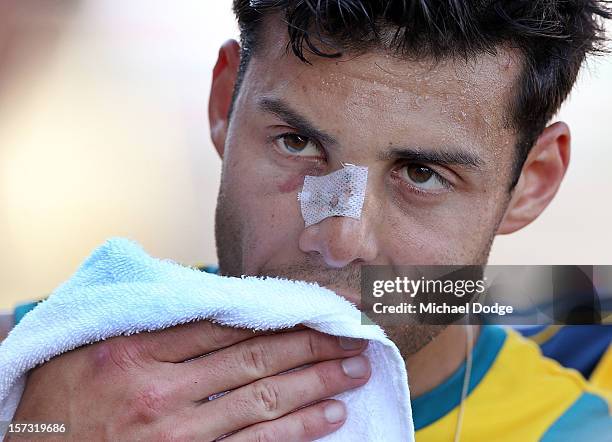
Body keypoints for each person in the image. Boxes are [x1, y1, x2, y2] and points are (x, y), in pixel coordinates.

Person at [3, 1, 612, 440]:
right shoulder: (41, 364)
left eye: (423, 175)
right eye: (295, 142)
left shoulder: (571, 432)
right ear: (223, 105)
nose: (338, 240)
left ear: (531, 184)